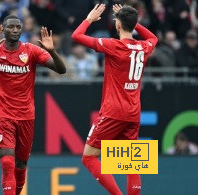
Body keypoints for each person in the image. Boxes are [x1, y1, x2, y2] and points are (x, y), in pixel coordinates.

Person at [0, 15, 66, 195]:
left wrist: (52, 51)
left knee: (21, 164)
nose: (15, 30)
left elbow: (61, 69)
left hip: (26, 115)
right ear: (3, 29)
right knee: (7, 162)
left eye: (18, 27)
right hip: (2, 114)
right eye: (11, 27)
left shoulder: (32, 51)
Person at [71, 4, 158, 195]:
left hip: (113, 112)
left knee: (88, 158)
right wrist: (135, 23)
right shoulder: (144, 47)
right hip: (133, 113)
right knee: (130, 164)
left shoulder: (114, 45)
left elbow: (76, 36)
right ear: (133, 25)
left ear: (118, 25)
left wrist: (89, 19)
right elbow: (154, 38)